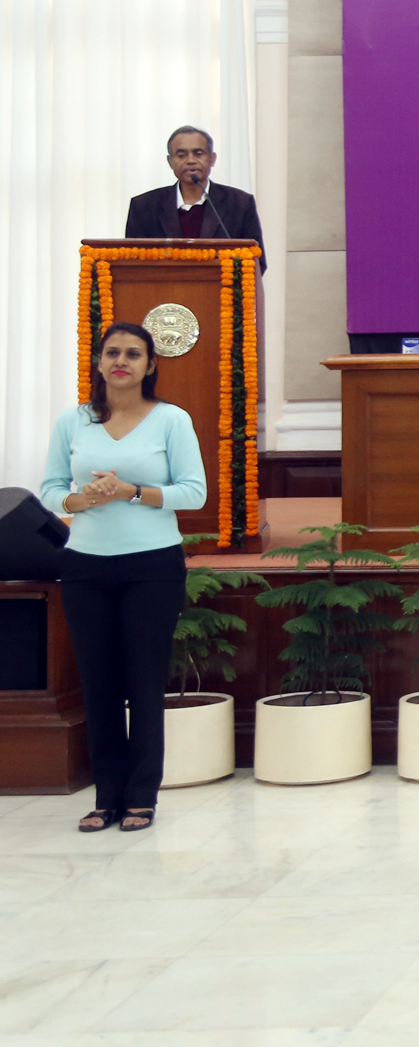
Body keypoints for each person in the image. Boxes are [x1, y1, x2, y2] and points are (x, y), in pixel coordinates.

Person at [39, 323, 208, 834]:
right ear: (98, 361)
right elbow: (49, 490)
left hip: (152, 567)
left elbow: (194, 492)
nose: (121, 361)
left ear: (150, 365)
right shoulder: (74, 421)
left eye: (133, 354)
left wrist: (130, 492)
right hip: (85, 567)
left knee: (144, 681)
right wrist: (79, 500)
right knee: (99, 685)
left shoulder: (171, 420)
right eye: (112, 352)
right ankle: (106, 797)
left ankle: (141, 798)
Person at [124, 125, 267, 271]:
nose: (190, 160)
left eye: (198, 154)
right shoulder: (144, 207)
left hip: (220, 285)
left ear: (212, 159)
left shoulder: (240, 204)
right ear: (170, 161)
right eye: (181, 155)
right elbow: (132, 264)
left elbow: (256, 262)